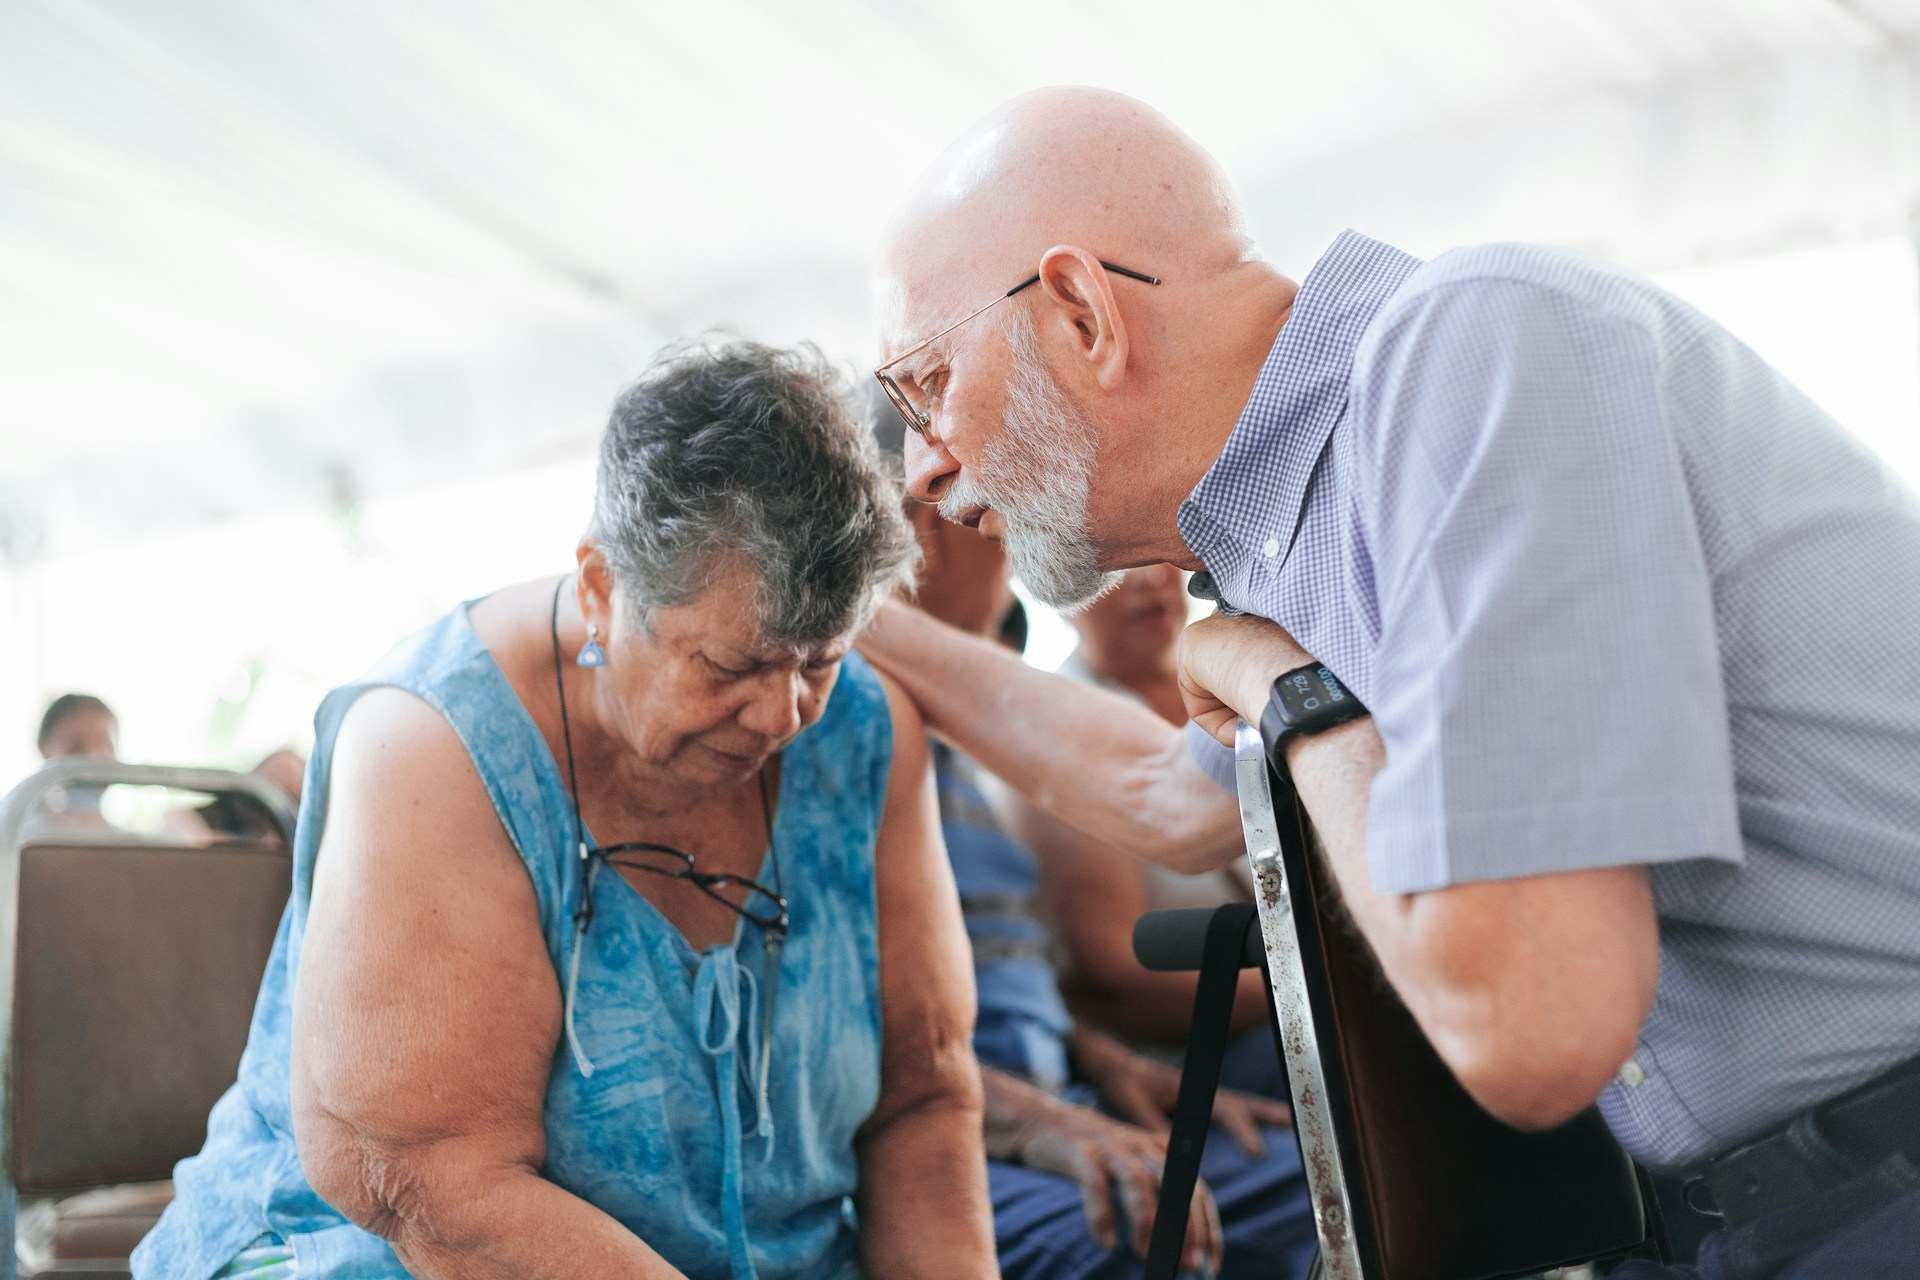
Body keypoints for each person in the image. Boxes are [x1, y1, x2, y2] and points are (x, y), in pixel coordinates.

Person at [862, 86, 1920, 1276]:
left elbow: (1533, 1023)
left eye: (925, 382)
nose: (925, 466)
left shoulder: (1471, 354)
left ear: (1080, 313)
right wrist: (846, 610)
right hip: (1759, 1214)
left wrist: (1288, 691)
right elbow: (1167, 789)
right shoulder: (1301, 522)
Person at [136, 341, 996, 1279]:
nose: (783, 713)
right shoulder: (430, 744)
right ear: (600, 588)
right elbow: (431, 1186)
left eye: (820, 660)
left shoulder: (870, 729)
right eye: (734, 666)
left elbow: (925, 1103)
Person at [889, 467, 1315, 1280]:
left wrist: (1103, 1064)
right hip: (979, 1124)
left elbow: (987, 983)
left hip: (1059, 1086)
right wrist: (1044, 1119)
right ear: (925, 527)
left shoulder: (953, 744)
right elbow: (873, 1024)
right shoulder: (869, 726)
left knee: (1323, 1176)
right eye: (988, 518)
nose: (1004, 541)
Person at [1052, 570, 1279, 1100]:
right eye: (1110, 565)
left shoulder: (1231, 671)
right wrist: (1323, 978)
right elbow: (1120, 988)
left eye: (1150, 552)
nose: (1148, 579)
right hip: (1195, 1058)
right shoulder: (1064, 733)